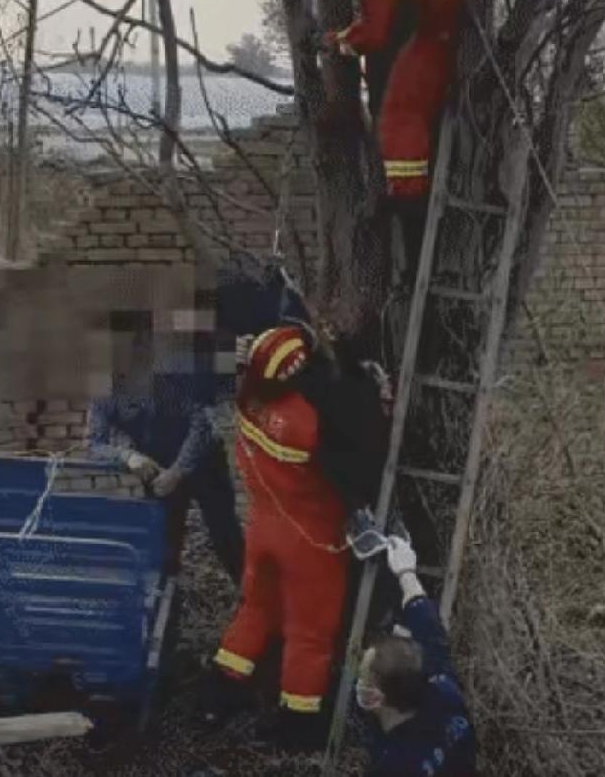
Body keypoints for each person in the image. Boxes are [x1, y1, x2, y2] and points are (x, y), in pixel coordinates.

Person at [295, 0, 463, 279]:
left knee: (399, 116)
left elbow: (374, 33)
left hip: (443, 24)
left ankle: (411, 214)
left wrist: (333, 41)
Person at [197, 325, 354, 752]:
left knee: (256, 611)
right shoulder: (307, 419)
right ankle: (297, 726)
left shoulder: (248, 399)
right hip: (310, 539)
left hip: (262, 528)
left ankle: (218, 695)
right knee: (310, 634)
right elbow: (353, 457)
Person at [86, 310, 244, 584]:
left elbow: (202, 424)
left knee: (225, 536)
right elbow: (93, 444)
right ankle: (165, 613)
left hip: (203, 462)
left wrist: (179, 471)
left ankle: (251, 598)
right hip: (157, 469)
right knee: (163, 550)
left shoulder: (175, 371)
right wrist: (128, 456)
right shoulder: (104, 389)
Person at [353, 532, 476, 776]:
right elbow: (431, 634)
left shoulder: (392, 765)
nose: (359, 684)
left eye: (363, 677)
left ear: (375, 698)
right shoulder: (444, 693)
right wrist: (406, 573)